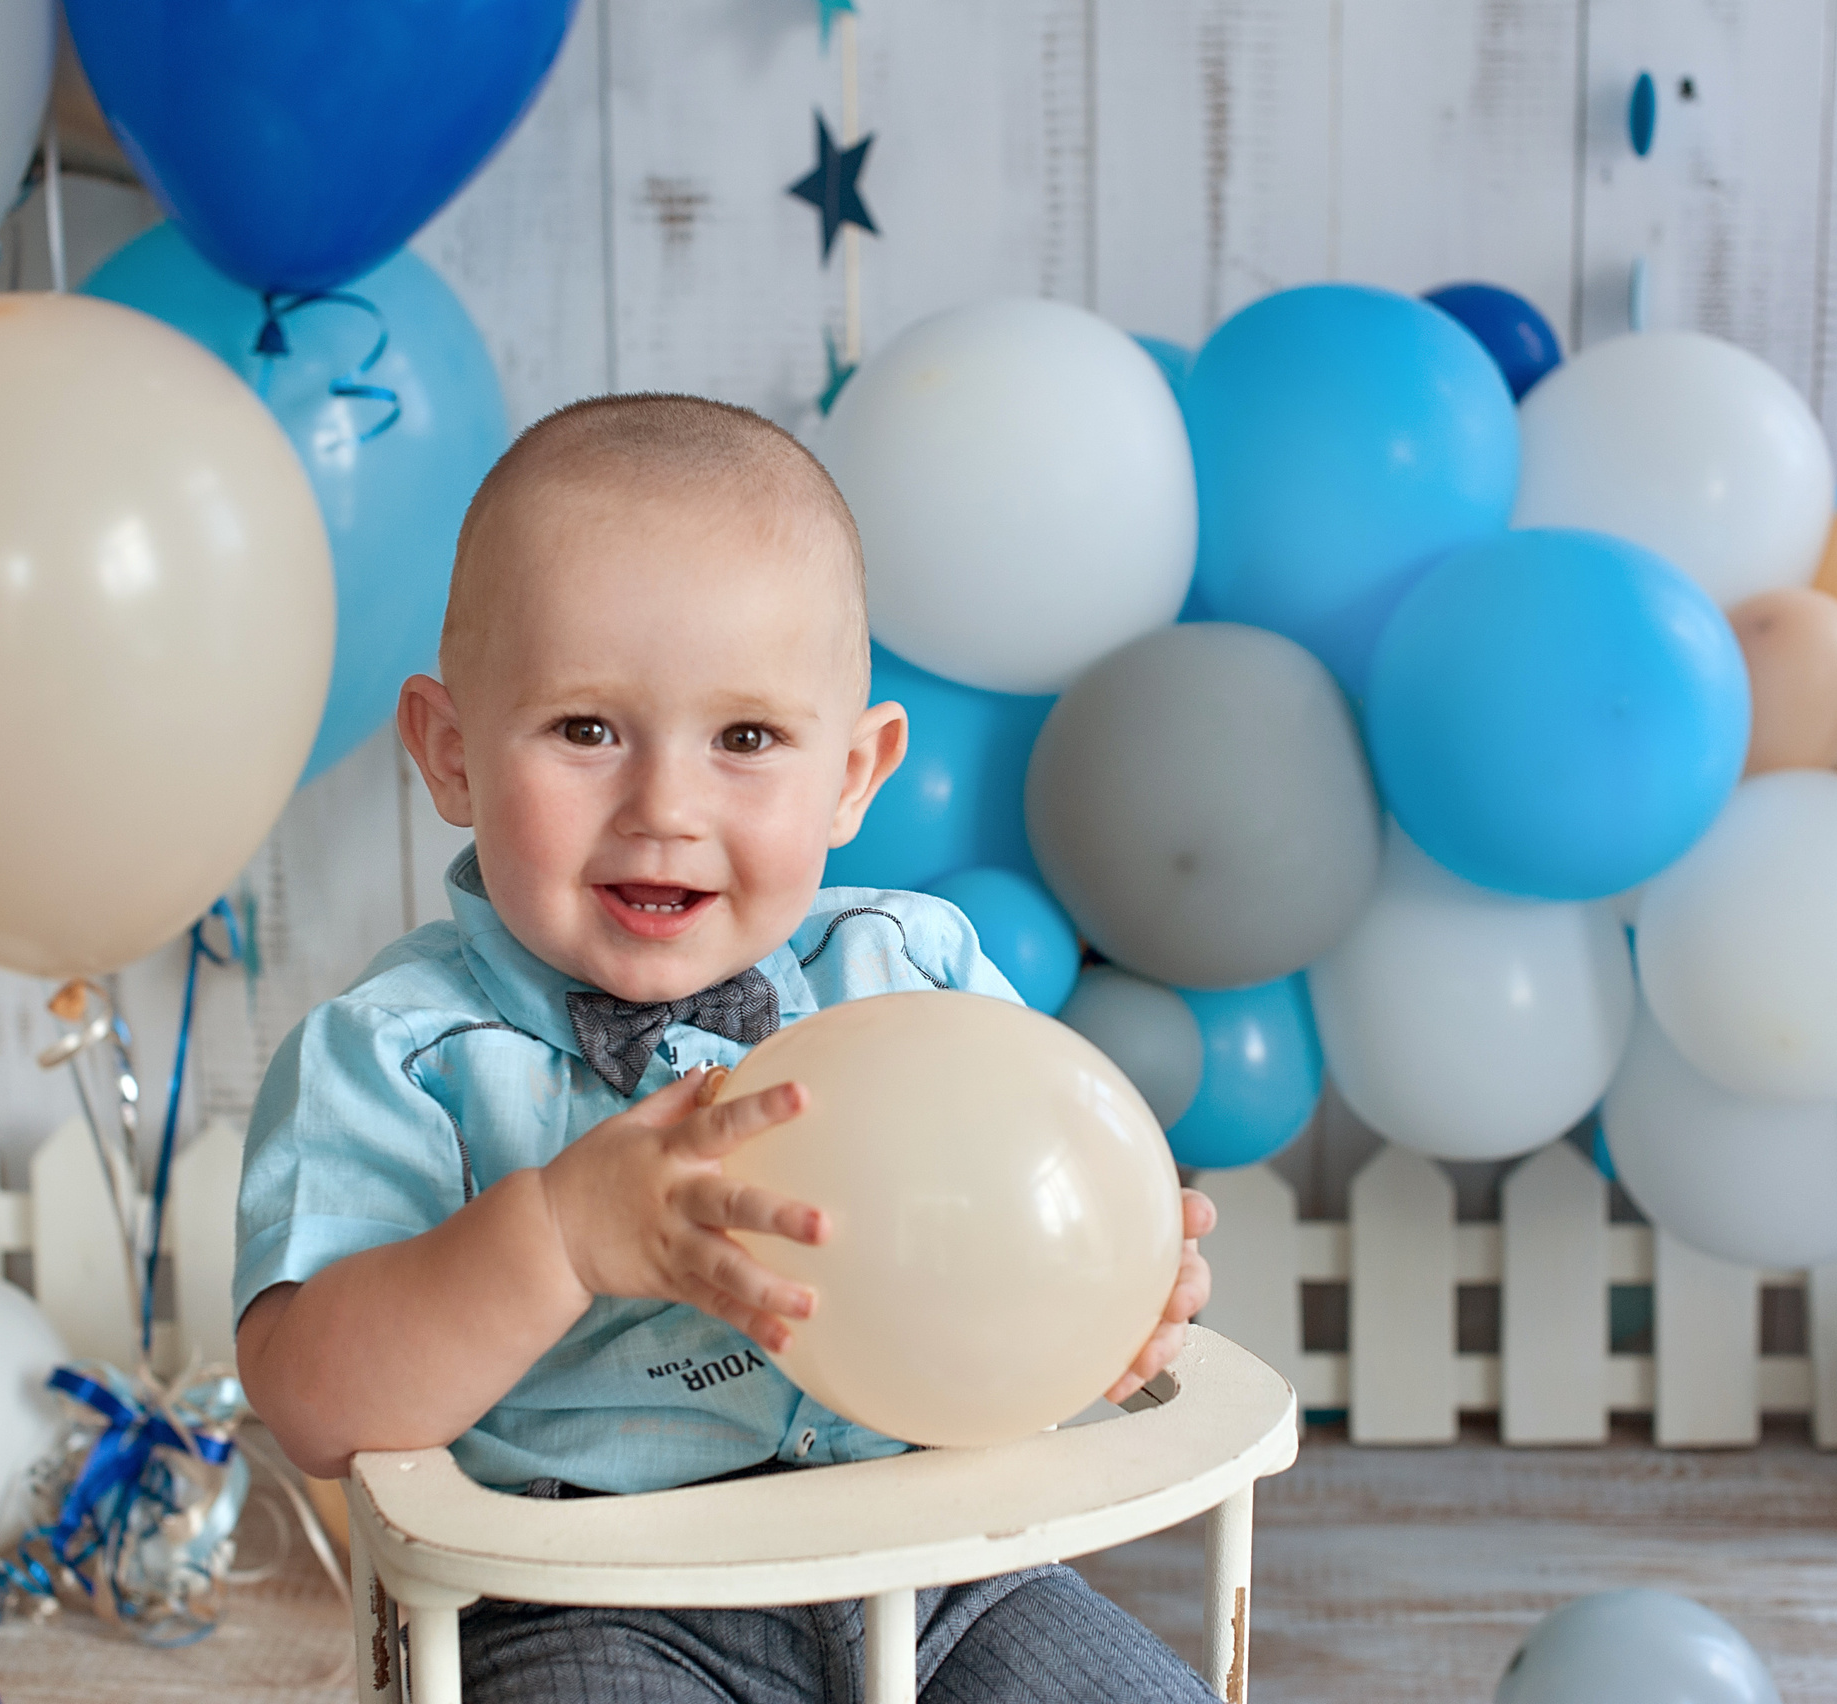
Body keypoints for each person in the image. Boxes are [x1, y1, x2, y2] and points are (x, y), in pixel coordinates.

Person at [233, 393, 1221, 1701]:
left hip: (943, 1564)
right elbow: (311, 1400)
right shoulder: (404, 1058)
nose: (665, 807)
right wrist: (558, 1239)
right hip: (587, 1598)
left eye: (746, 738)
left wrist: (1108, 1294)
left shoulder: (910, 975)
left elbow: (1025, 1212)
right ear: (453, 753)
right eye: (587, 729)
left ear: (854, 774)